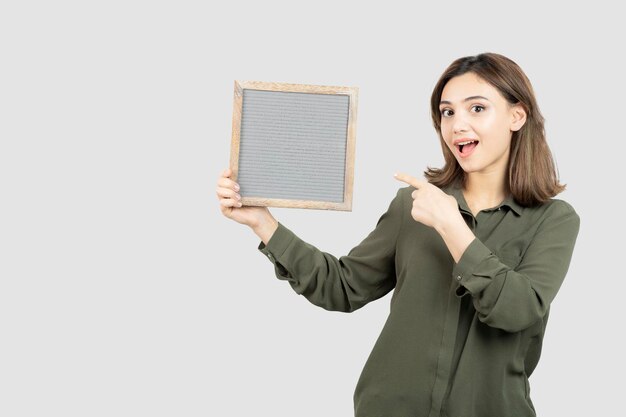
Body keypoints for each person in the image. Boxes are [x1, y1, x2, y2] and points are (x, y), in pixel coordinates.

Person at [215, 52, 580, 417]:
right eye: (447, 112)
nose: (456, 125)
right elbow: (343, 286)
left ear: (517, 116)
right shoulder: (412, 206)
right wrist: (262, 223)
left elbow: (516, 310)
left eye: (477, 109)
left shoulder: (554, 220)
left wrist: (451, 226)